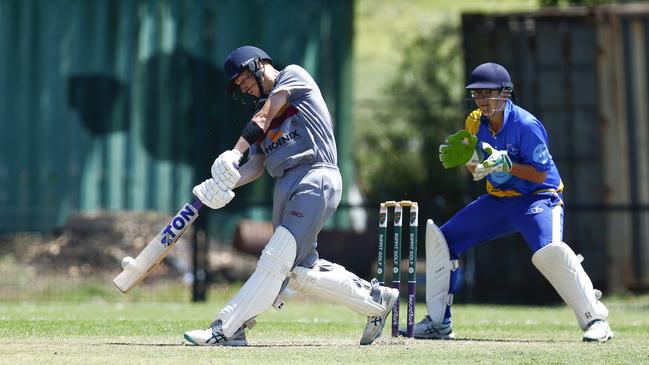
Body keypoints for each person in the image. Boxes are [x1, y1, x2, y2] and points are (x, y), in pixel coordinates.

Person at [183, 45, 398, 346]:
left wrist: (235, 151)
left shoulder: (292, 76)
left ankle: (227, 328)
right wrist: (223, 184)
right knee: (299, 270)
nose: (242, 86)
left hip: (315, 174)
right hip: (284, 184)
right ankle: (375, 300)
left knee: (275, 257)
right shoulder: (260, 118)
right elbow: (256, 166)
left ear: (258, 64)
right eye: (237, 85)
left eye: (242, 77)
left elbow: (266, 113)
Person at [409, 62, 613, 342]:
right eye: (478, 94)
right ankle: (438, 323)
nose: (483, 100)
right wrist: (475, 164)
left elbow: (540, 173)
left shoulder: (526, 125)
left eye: (489, 93)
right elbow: (476, 165)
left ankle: (596, 320)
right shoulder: (474, 121)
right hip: (498, 201)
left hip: (538, 198)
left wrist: (505, 163)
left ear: (505, 93)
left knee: (549, 252)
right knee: (444, 241)